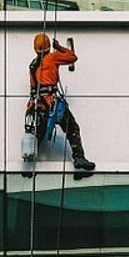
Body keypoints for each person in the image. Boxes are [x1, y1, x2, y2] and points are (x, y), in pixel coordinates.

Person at [26, 33, 95, 171]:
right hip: (52, 104)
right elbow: (72, 57)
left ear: (35, 49)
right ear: (48, 47)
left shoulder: (33, 65)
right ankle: (79, 158)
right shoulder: (52, 58)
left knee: (39, 134)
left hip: (39, 105)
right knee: (72, 128)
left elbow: (33, 88)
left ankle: (29, 164)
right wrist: (58, 47)